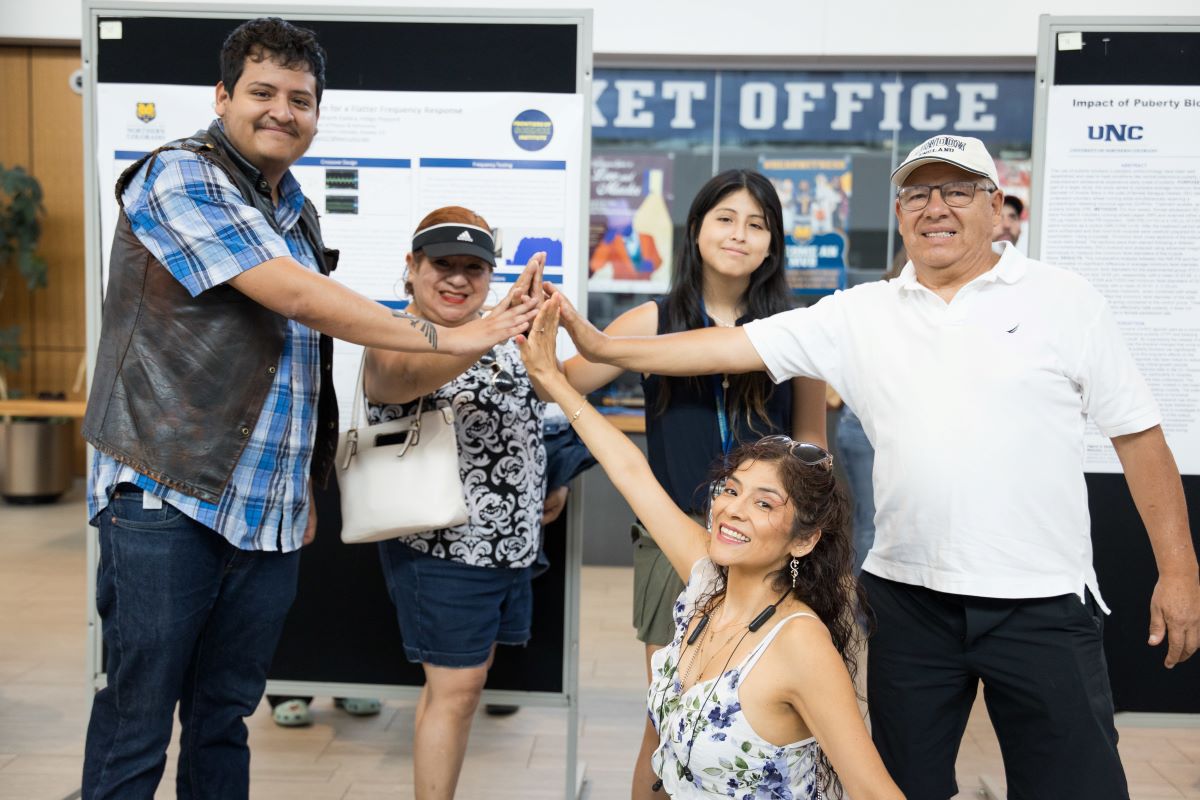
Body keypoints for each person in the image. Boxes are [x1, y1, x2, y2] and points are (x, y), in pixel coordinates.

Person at [548, 134, 1200, 799]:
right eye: (918, 193)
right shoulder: (862, 313)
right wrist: (602, 346)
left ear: (995, 204)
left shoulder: (1065, 299)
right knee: (901, 785)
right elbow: (727, 344)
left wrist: (1178, 570)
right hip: (909, 604)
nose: (935, 207)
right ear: (899, 211)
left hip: (1041, 601)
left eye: (956, 190)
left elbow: (1140, 439)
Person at [80, 19, 539, 800]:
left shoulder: (293, 208)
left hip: (265, 513)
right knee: (138, 717)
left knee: (227, 713)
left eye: (301, 99)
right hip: (167, 494)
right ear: (222, 97)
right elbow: (296, 297)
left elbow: (296, 357)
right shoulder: (178, 176)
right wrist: (459, 331)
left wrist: (299, 484)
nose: (283, 112)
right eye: (263, 93)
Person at [520, 300, 903, 799]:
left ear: (805, 539)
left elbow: (876, 792)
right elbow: (631, 469)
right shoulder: (705, 583)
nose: (733, 510)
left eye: (764, 503)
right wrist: (554, 380)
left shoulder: (799, 643)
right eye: (730, 489)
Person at [563, 168, 826, 799]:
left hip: (769, 552)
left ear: (773, 244)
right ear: (697, 231)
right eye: (725, 219)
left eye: (756, 224)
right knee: (669, 720)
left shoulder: (797, 332)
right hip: (671, 539)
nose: (739, 235)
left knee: (764, 715)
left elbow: (814, 448)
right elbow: (562, 382)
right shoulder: (651, 321)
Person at [363, 207, 548, 800]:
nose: (459, 279)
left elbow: (534, 407)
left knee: (461, 690)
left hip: (508, 547)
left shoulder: (498, 337)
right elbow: (398, 379)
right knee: (459, 690)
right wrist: (493, 327)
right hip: (442, 547)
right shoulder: (397, 332)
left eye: (475, 267)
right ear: (412, 268)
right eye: (444, 264)